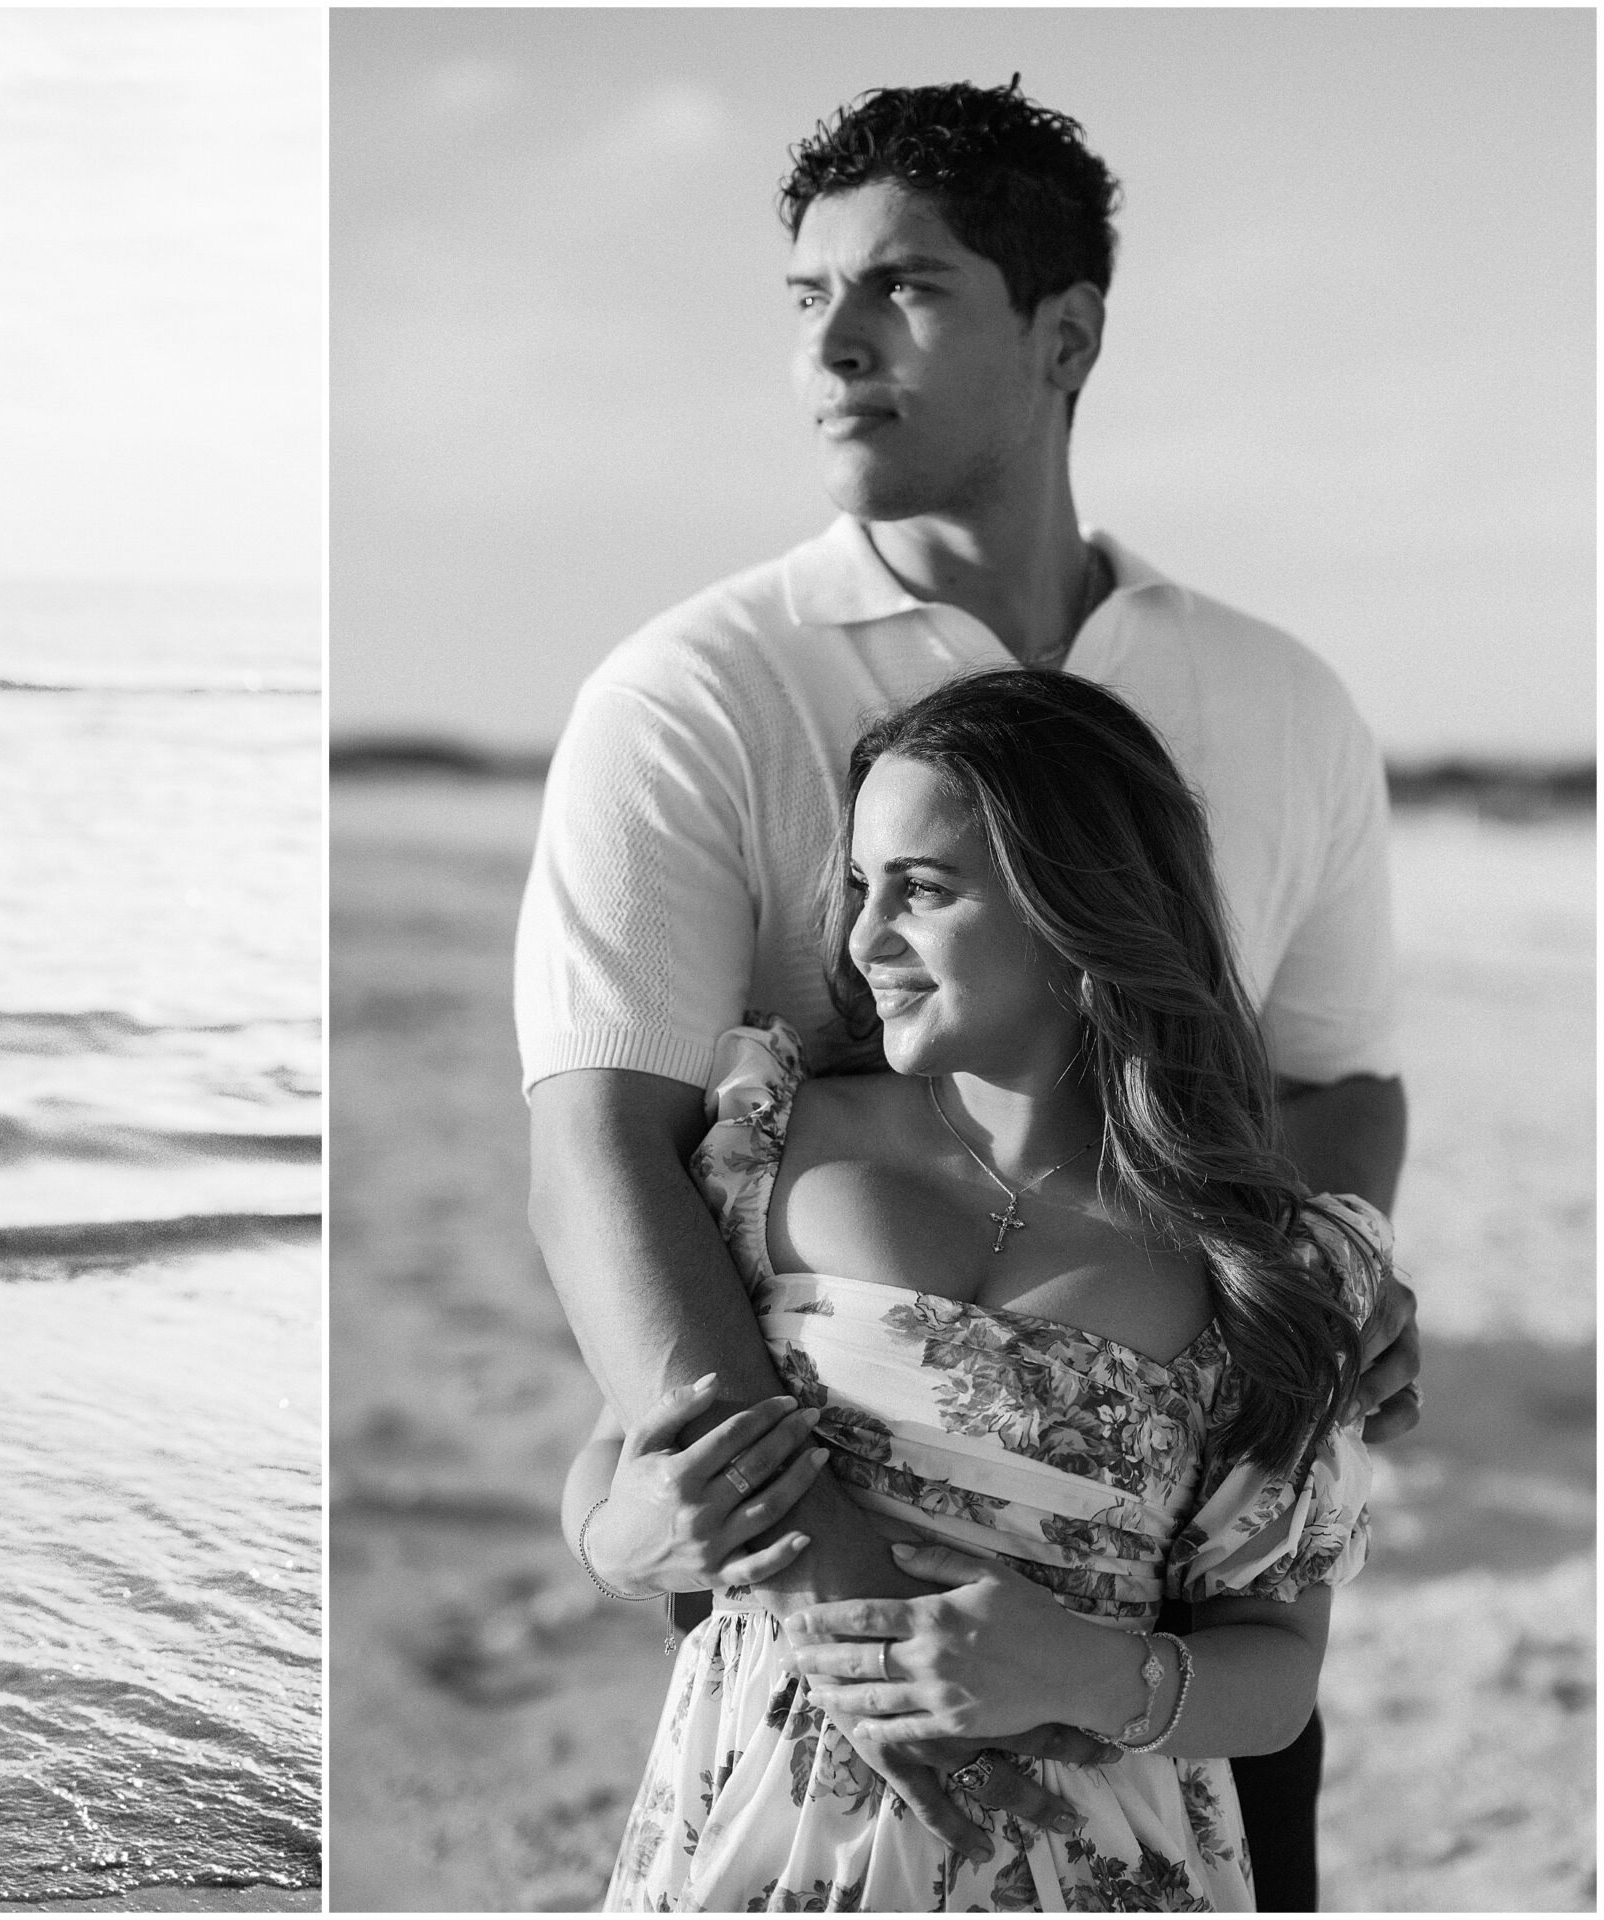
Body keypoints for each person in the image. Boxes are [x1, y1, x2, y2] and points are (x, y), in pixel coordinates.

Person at [514, 81, 1418, 1904]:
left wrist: (1278, 1348)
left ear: (1065, 332)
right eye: (803, 299)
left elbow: (1337, 1083)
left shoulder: (1283, 698)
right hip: (814, 1610)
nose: (832, 346)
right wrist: (840, 1591)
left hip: (1159, 1579)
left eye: (906, 288)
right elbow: (605, 1131)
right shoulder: (692, 689)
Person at [567, 670, 1386, 1909]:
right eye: (859, 887)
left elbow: (1275, 1675)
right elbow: (612, 1467)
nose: (861, 938)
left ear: (1079, 905)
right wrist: (626, 1538)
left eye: (923, 889)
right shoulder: (766, 1144)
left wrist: (1084, 1674)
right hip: (746, 1841)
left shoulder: (1253, 1264)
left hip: (1082, 1867)